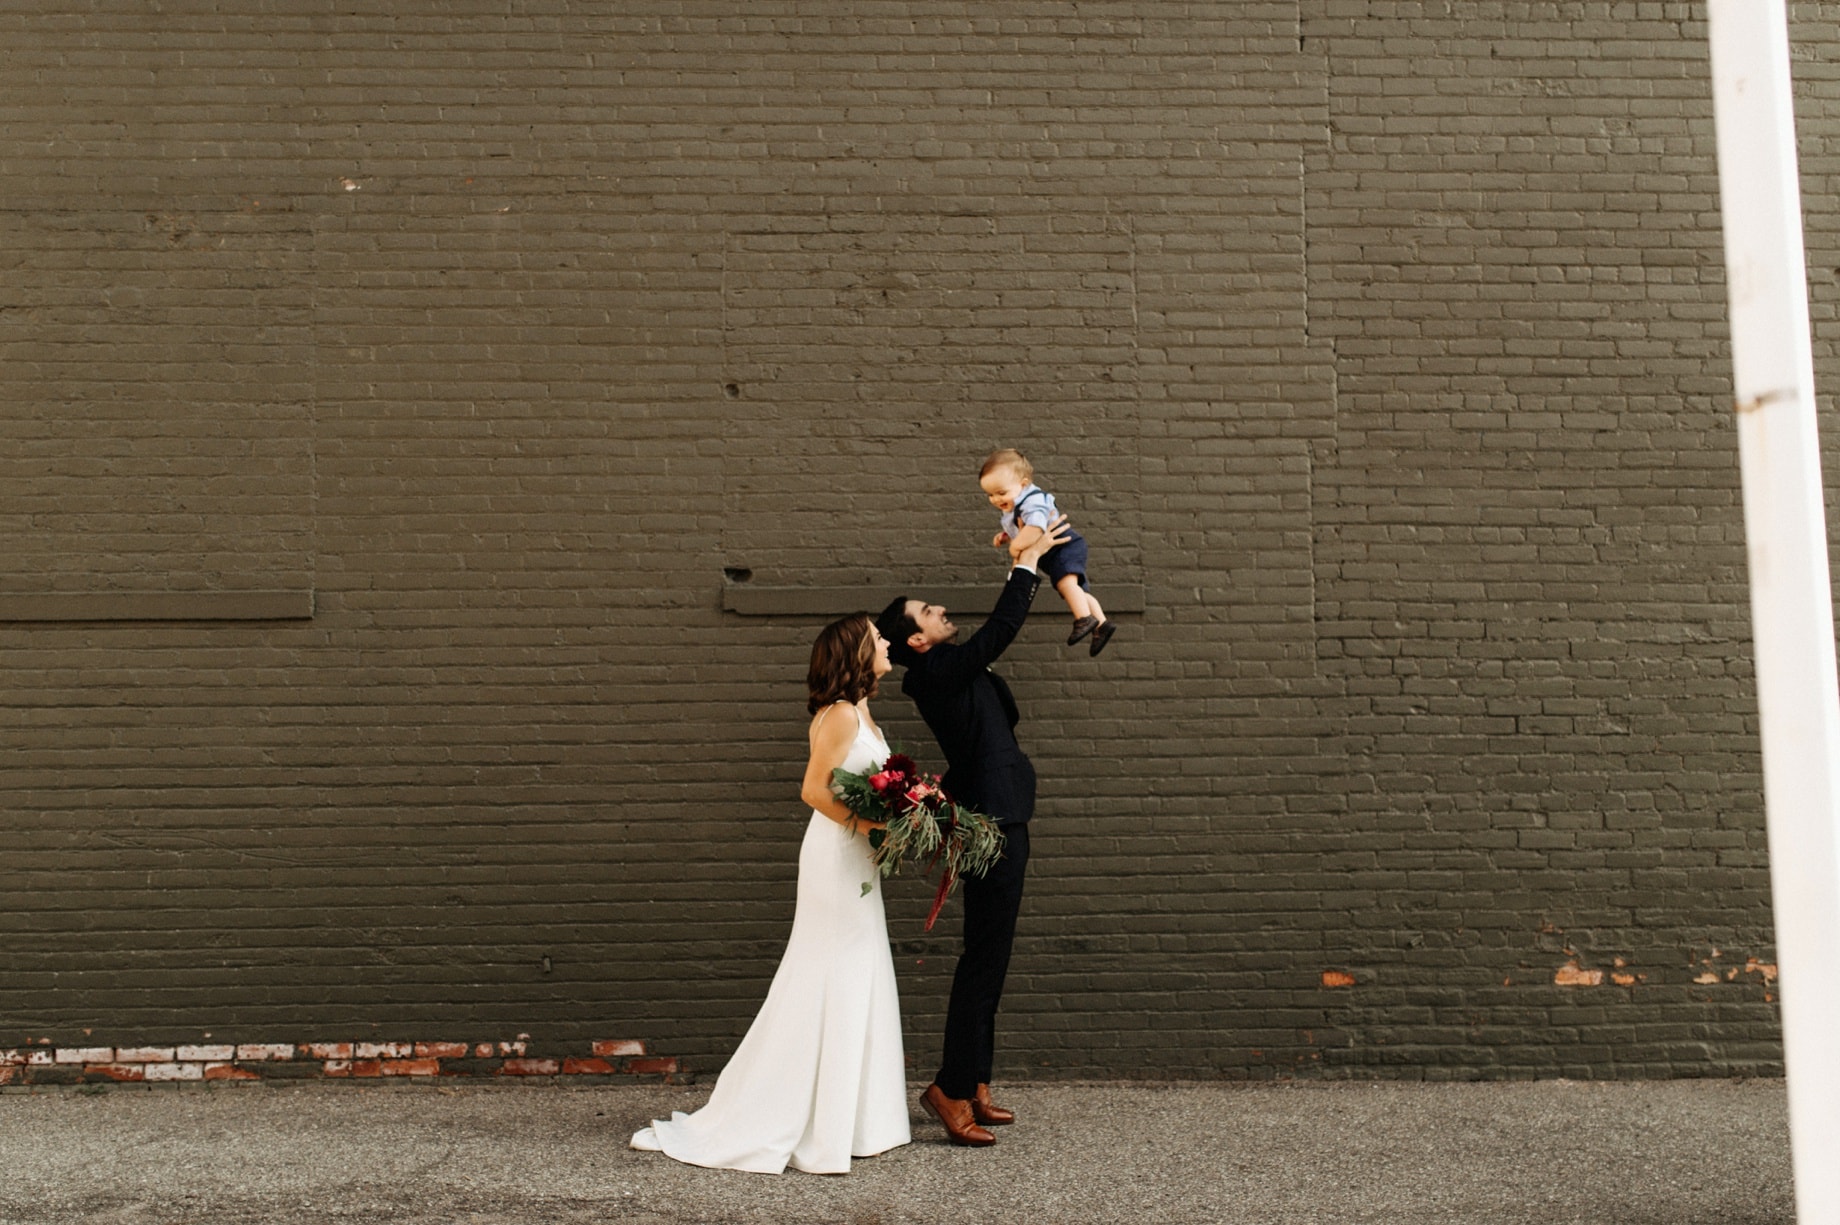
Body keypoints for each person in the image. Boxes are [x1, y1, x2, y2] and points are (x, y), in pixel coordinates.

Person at [629, 615, 910, 1174]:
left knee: (858, 971)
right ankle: (778, 1117)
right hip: (835, 860)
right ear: (856, 651)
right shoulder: (842, 715)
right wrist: (878, 829)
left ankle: (854, 1119)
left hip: (855, 861)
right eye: (878, 636)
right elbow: (813, 790)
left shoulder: (862, 711)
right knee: (827, 973)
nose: (886, 642)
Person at [874, 515, 1074, 1147]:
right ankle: (950, 1088)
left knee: (995, 952)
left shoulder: (951, 666)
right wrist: (1026, 563)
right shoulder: (931, 675)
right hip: (992, 815)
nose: (939, 611)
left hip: (1002, 807)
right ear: (917, 642)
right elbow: (1002, 630)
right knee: (983, 956)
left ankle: (976, 1081)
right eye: (928, 612)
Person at [979, 448, 1114, 656]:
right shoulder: (1017, 503)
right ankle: (1102, 626)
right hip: (1059, 550)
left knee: (1066, 585)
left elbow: (1035, 528)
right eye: (990, 495)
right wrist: (1007, 536)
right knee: (1079, 591)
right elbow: (1023, 528)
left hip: (1063, 547)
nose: (996, 499)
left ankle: (1084, 619)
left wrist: (1015, 547)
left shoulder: (1031, 501)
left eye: (1001, 493)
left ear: (1023, 485)